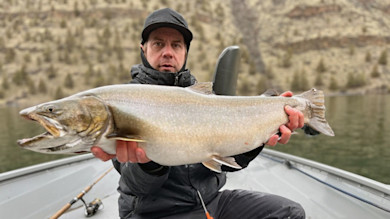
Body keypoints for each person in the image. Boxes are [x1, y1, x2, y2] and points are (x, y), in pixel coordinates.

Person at [92, 8, 306, 219]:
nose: (168, 52)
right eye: (158, 44)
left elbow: (226, 163)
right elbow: (138, 186)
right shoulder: (123, 101)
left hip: (210, 203)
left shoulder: (205, 98)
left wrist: (260, 136)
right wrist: (149, 162)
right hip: (152, 212)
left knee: (291, 213)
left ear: (185, 52)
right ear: (143, 49)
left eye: (176, 45)